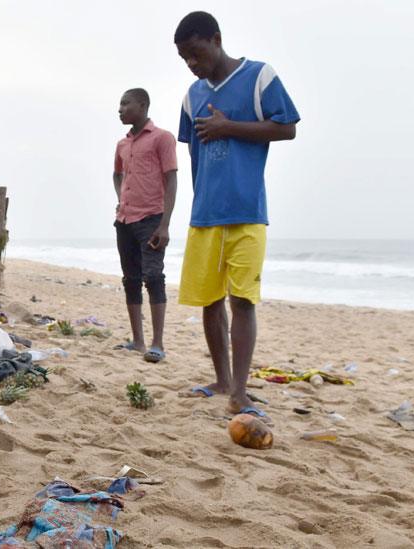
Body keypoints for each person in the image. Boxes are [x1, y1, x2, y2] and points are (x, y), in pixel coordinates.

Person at [173, 11, 299, 418]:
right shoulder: (191, 96)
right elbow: (194, 155)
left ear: (216, 39)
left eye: (195, 53)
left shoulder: (259, 77)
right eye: (184, 58)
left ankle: (240, 392)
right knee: (209, 300)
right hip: (206, 213)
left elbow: (287, 128)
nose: (192, 63)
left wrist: (230, 127)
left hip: (247, 210)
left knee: (242, 299)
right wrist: (196, 203)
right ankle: (221, 379)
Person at [111, 88, 178, 363]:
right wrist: (120, 200)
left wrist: (165, 225)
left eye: (125, 103)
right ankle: (137, 341)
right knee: (131, 280)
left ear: (142, 105)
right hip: (125, 220)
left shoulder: (162, 138)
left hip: (151, 218)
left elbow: (171, 180)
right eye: (119, 104)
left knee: (154, 278)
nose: (120, 109)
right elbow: (117, 174)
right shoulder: (122, 144)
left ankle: (157, 343)